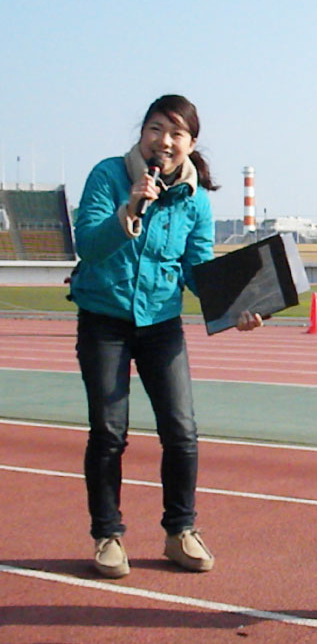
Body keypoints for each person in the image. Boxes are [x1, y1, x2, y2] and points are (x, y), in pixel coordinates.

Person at [69, 94, 262, 579]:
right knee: (109, 432)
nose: (165, 141)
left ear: (191, 144)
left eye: (177, 133)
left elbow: (196, 268)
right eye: (156, 129)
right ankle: (108, 536)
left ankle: (181, 531)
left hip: (160, 322)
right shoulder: (108, 175)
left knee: (181, 431)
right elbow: (88, 246)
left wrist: (236, 309)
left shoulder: (195, 200)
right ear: (142, 133)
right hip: (103, 318)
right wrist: (129, 208)